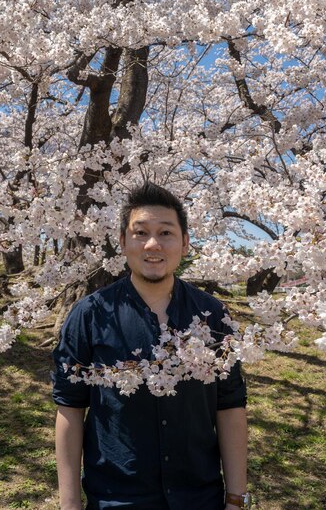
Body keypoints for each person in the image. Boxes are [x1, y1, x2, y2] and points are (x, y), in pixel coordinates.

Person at [52, 182, 249, 510]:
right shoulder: (91, 314)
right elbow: (70, 409)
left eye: (166, 233)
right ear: (122, 242)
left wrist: (236, 499)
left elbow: (230, 407)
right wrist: (69, 504)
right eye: (140, 233)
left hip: (199, 498)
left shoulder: (213, 315)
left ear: (185, 243)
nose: (152, 244)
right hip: (116, 499)